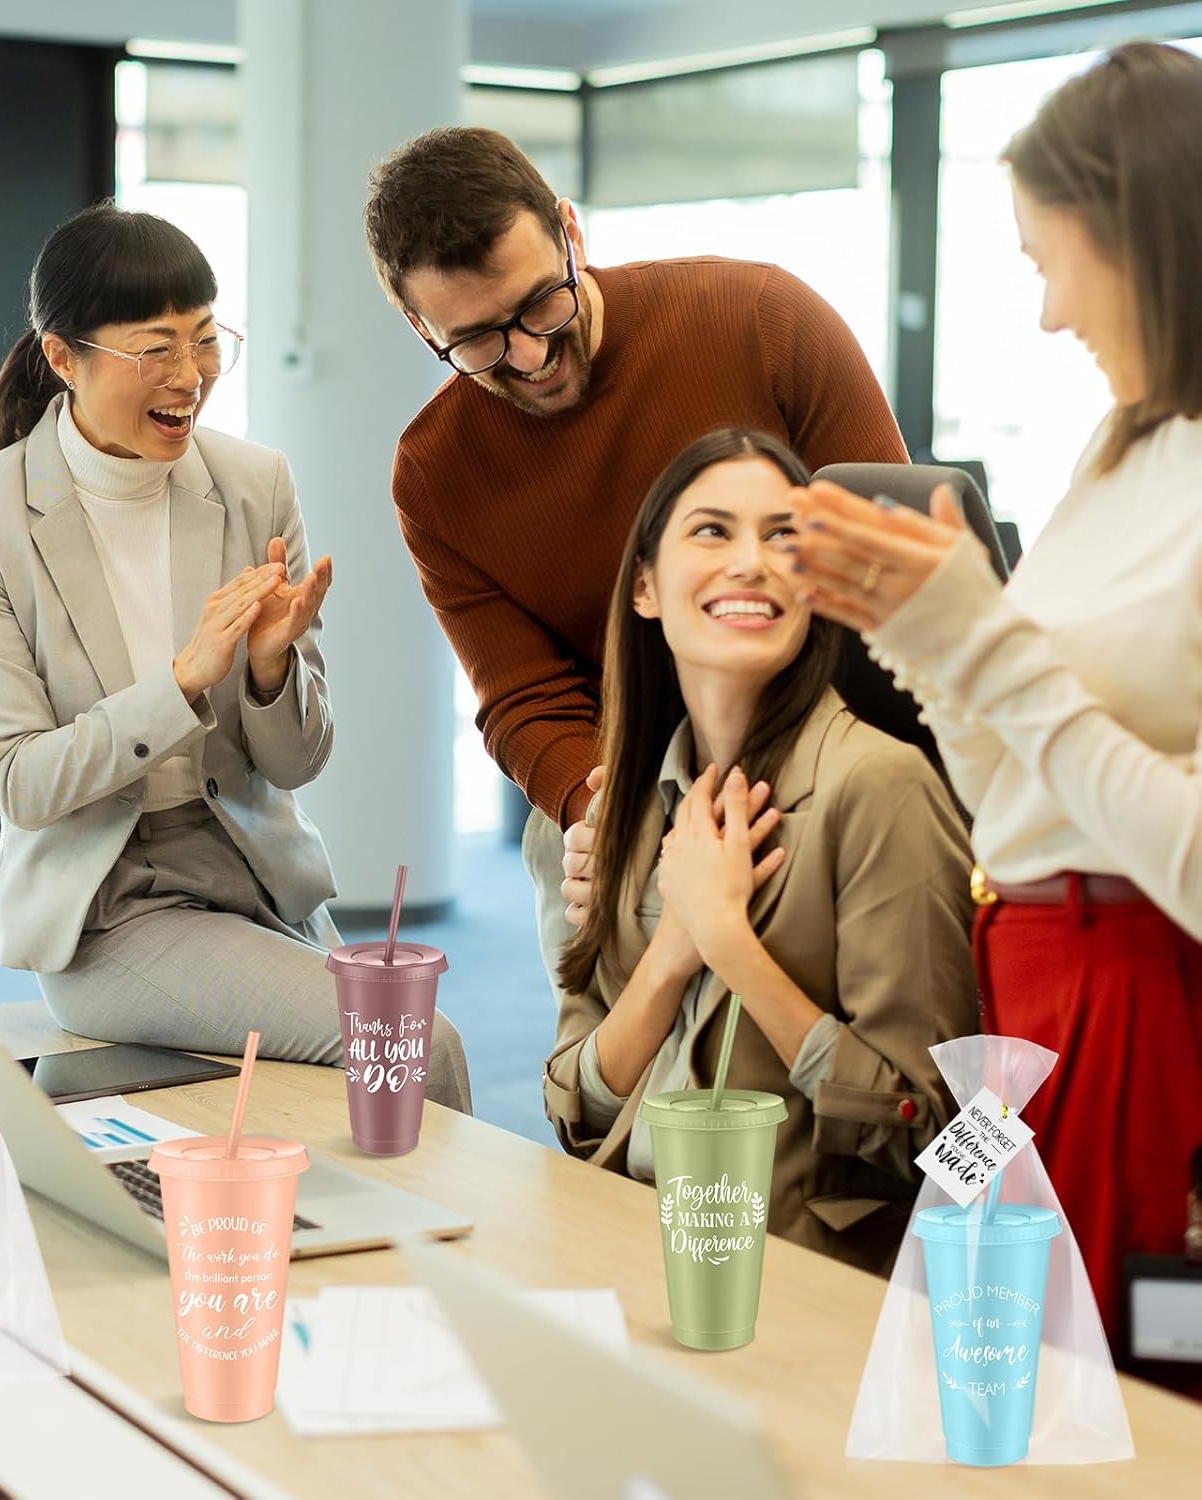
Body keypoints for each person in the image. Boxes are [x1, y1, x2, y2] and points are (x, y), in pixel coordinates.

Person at [787, 42, 1202, 1349]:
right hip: (1022, 975)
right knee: (980, 1369)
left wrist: (989, 651)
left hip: (1134, 989)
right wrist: (929, 645)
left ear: (1141, 229)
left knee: (1093, 1388)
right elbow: (1023, 788)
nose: (1047, 314)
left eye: (1046, 259)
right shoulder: (1126, 439)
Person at [0, 203, 471, 1112]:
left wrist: (267, 670)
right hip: (111, 908)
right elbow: (18, 781)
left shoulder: (254, 483)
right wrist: (181, 683)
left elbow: (299, 760)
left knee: (381, 1056)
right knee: (409, 1038)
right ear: (63, 358)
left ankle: (399, 1247)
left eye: (207, 340)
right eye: (156, 350)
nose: (192, 376)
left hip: (260, 883)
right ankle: (460, 1254)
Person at [362, 126, 910, 996]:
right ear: (417, 323)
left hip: (824, 739)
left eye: (543, 304)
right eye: (476, 343)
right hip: (625, 774)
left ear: (572, 233)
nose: (532, 358)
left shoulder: (763, 319)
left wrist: (808, 784)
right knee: (608, 1076)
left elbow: (892, 577)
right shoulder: (435, 472)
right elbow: (524, 699)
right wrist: (609, 815)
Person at [544, 429, 979, 1274]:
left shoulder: (880, 789)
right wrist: (672, 955)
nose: (752, 562)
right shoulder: (627, 804)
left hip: (798, 1278)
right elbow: (575, 1106)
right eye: (713, 531)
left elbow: (947, 1141)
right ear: (644, 586)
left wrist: (732, 948)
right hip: (627, 1245)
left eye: (785, 537)